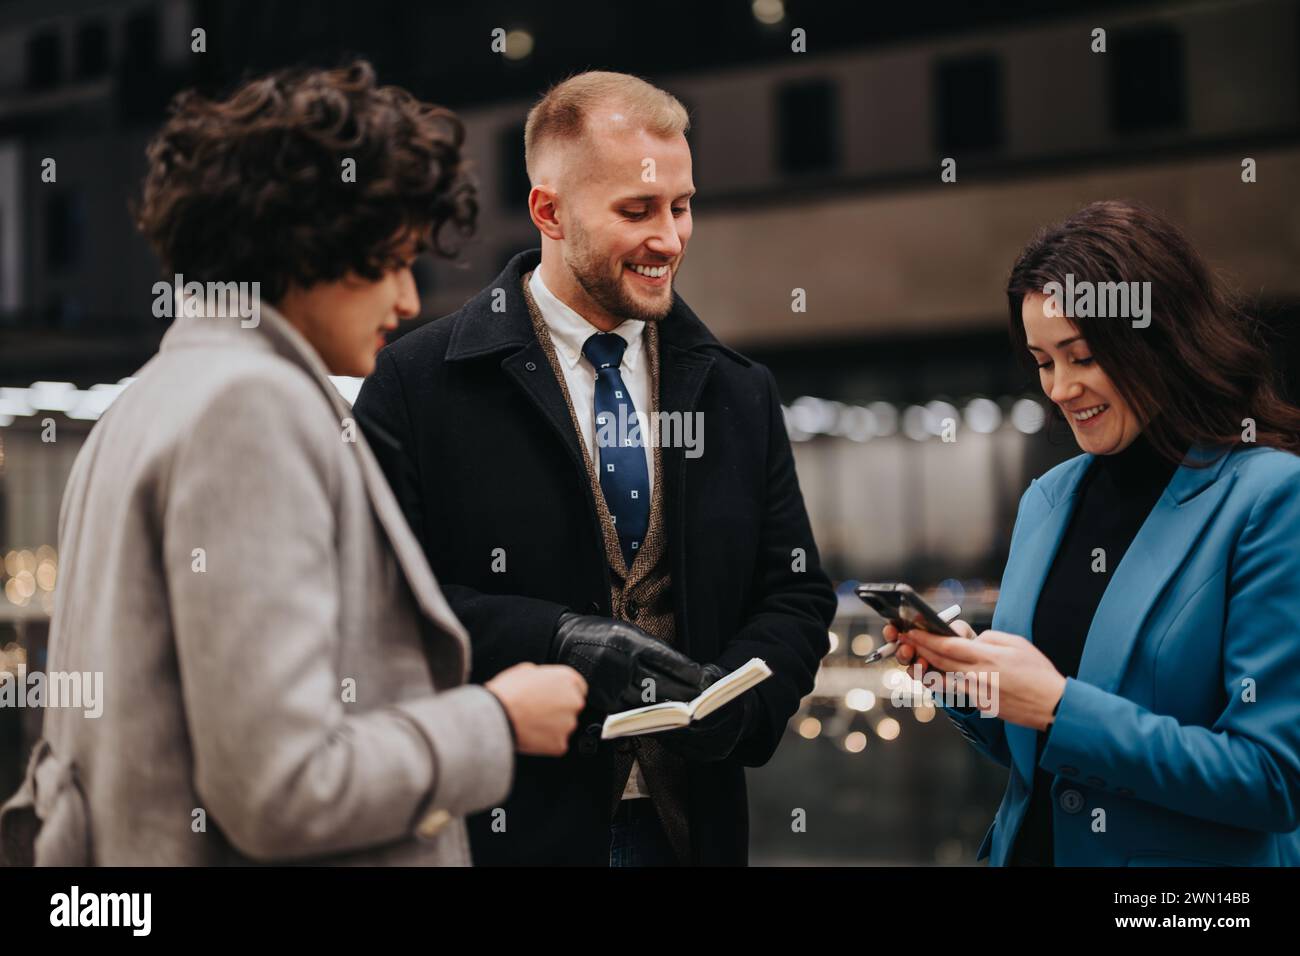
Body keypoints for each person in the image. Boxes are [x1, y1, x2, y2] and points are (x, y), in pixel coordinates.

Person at [0, 61, 586, 866]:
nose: (410, 299)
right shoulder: (252, 408)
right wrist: (496, 721)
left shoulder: (150, 399)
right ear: (310, 244)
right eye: (391, 258)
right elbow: (282, 789)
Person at [354, 71, 835, 865]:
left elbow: (795, 590)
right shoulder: (418, 382)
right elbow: (381, 604)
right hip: (506, 831)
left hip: (691, 832)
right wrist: (558, 638)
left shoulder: (738, 389)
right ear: (548, 210)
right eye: (636, 211)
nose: (670, 239)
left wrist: (744, 704)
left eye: (681, 206)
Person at [889, 200, 1300, 866]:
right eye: (1043, 362)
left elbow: (1273, 781)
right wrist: (964, 681)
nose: (1059, 387)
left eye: (1080, 356)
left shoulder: (1266, 499)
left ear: (1156, 340)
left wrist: (1058, 706)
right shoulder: (1048, 501)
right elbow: (1039, 754)